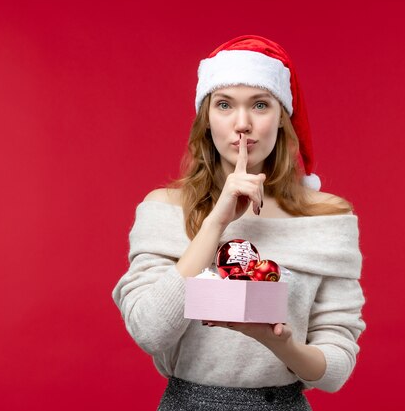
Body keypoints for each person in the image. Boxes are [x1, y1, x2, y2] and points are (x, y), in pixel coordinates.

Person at [112, 35, 366, 411]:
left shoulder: (327, 218)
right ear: (206, 118)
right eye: (225, 105)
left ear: (282, 119)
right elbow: (149, 331)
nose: (242, 124)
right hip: (189, 403)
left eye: (260, 105)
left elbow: (335, 371)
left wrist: (280, 342)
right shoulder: (164, 209)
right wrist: (217, 222)